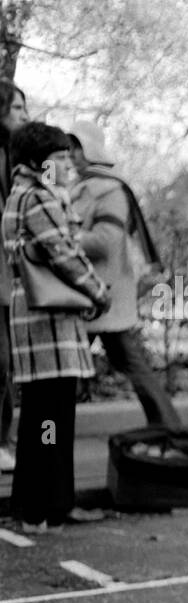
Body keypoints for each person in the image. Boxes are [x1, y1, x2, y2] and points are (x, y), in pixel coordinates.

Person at [2, 123, 111, 531]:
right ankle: (53, 504)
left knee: (38, 417)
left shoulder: (18, 194)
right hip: (50, 321)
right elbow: (63, 252)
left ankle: (31, 508)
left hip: (29, 316)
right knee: (54, 419)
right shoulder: (40, 197)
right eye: (59, 157)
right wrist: (99, 290)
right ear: (37, 162)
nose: (67, 164)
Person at [65, 123, 179, 432]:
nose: (71, 154)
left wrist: (62, 239)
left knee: (76, 366)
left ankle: (169, 427)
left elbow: (106, 241)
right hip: (85, 293)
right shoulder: (80, 187)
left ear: (90, 148)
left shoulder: (110, 190)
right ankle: (168, 425)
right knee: (70, 367)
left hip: (104, 294)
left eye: (76, 147)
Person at [0, 79, 30, 473]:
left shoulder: (22, 157)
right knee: (3, 359)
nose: (24, 115)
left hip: (9, 274)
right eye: (17, 108)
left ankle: (5, 440)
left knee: (6, 360)